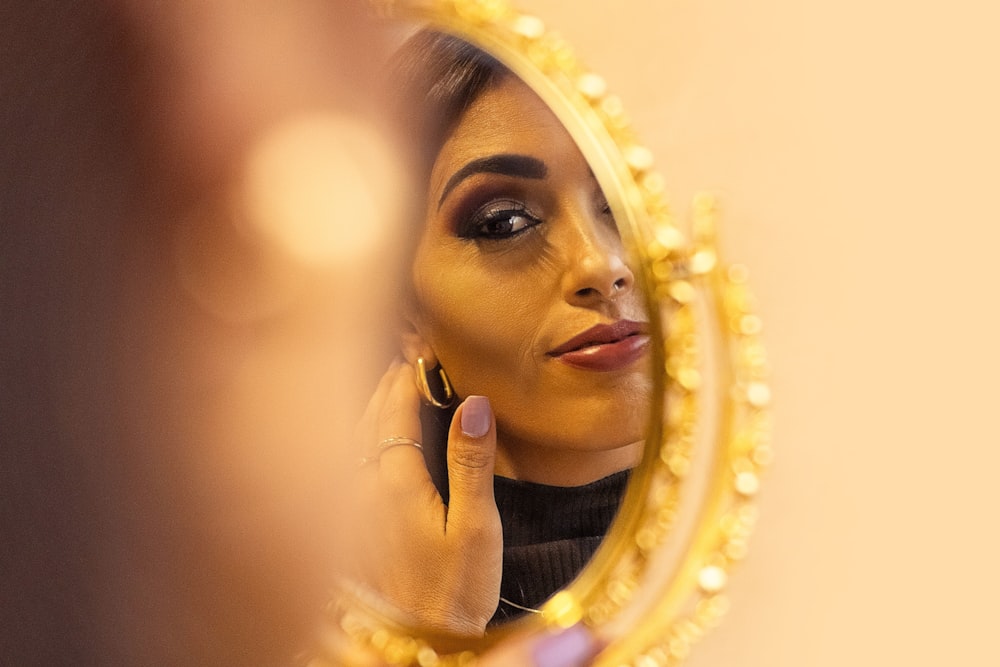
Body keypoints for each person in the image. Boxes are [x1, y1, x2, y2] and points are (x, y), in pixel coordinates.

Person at [346, 31, 653, 639]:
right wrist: (432, 632)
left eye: (623, 202)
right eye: (504, 222)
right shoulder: (295, 602)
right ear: (407, 318)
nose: (603, 265)